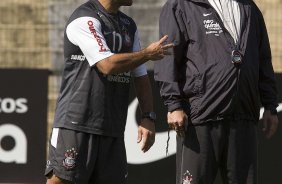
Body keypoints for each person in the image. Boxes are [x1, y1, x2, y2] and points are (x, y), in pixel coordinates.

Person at [45, 0, 174, 183]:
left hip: (112, 127)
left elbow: (140, 75)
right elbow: (107, 65)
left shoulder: (129, 25)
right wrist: (146, 53)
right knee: (61, 181)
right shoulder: (85, 18)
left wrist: (148, 117)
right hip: (77, 123)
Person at [154, 0, 279, 184]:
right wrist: (173, 104)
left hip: (243, 116)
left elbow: (263, 58)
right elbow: (168, 56)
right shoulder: (181, 5)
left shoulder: (250, 8)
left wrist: (270, 105)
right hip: (201, 117)